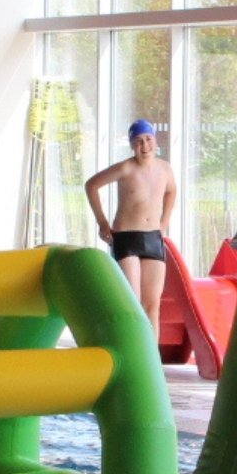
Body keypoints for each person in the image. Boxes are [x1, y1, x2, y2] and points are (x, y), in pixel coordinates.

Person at [84, 120, 176, 340]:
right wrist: (103, 223)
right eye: (138, 141)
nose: (144, 146)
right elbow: (91, 185)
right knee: (133, 303)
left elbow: (171, 191)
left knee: (152, 305)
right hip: (126, 237)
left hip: (153, 238)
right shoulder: (126, 168)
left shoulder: (165, 169)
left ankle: (151, 363)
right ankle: (134, 352)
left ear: (155, 141)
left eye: (148, 140)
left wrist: (164, 222)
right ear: (132, 146)